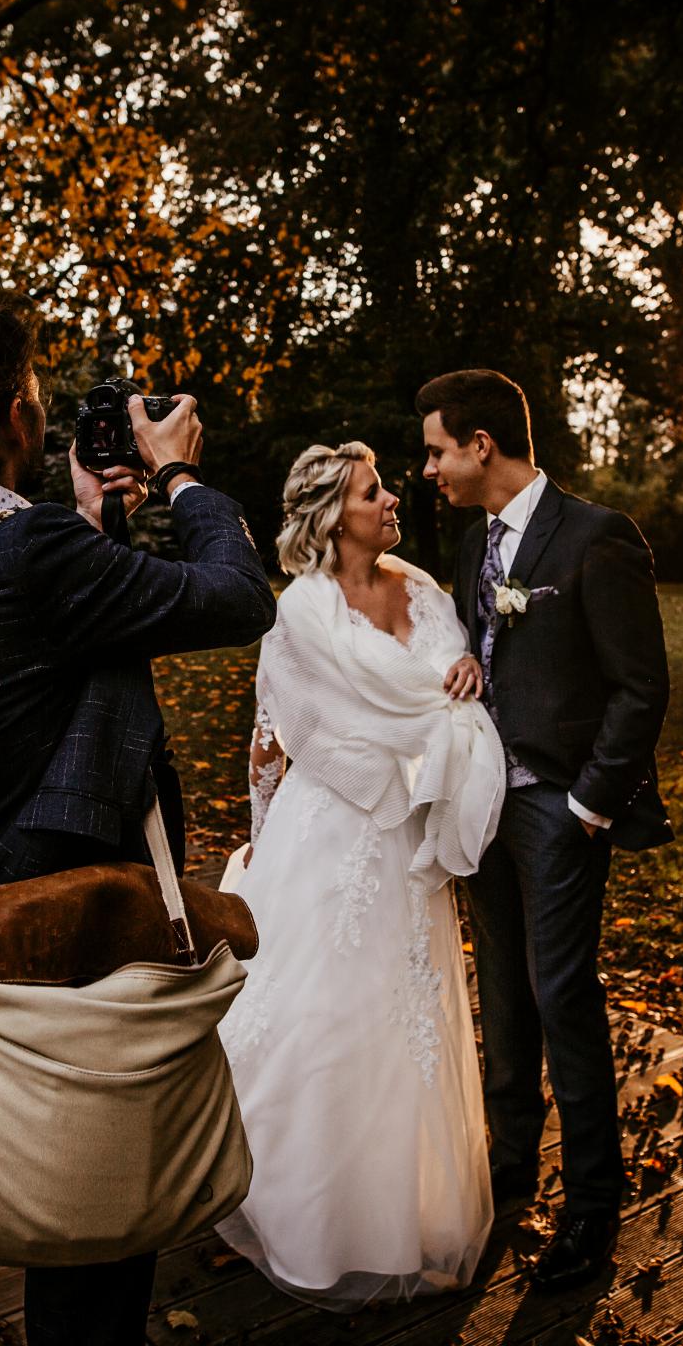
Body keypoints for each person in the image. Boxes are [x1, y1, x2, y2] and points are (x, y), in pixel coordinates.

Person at [0, 290, 276, 1346]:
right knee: (93, 1242)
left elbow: (17, 661)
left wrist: (79, 513)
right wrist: (178, 473)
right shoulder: (34, 558)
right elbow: (236, 592)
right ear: (12, 416)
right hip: (70, 938)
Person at [214, 442, 506, 1311]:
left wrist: (468, 674)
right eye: (373, 493)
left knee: (399, 1024)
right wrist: (264, 837)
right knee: (318, 1019)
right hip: (326, 831)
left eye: (383, 490)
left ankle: (394, 1217)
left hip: (407, 842)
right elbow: (273, 735)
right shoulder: (299, 613)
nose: (391, 503)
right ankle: (292, 1210)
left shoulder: (421, 589)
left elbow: (448, 698)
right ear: (333, 514)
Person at [417, 368, 672, 1293]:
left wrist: (586, 807)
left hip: (557, 811)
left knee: (561, 993)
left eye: (440, 449)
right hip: (480, 806)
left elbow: (642, 687)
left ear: (482, 445)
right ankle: (511, 1169)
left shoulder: (597, 537)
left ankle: (592, 1208)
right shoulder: (471, 540)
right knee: (508, 996)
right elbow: (479, 653)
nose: (431, 467)